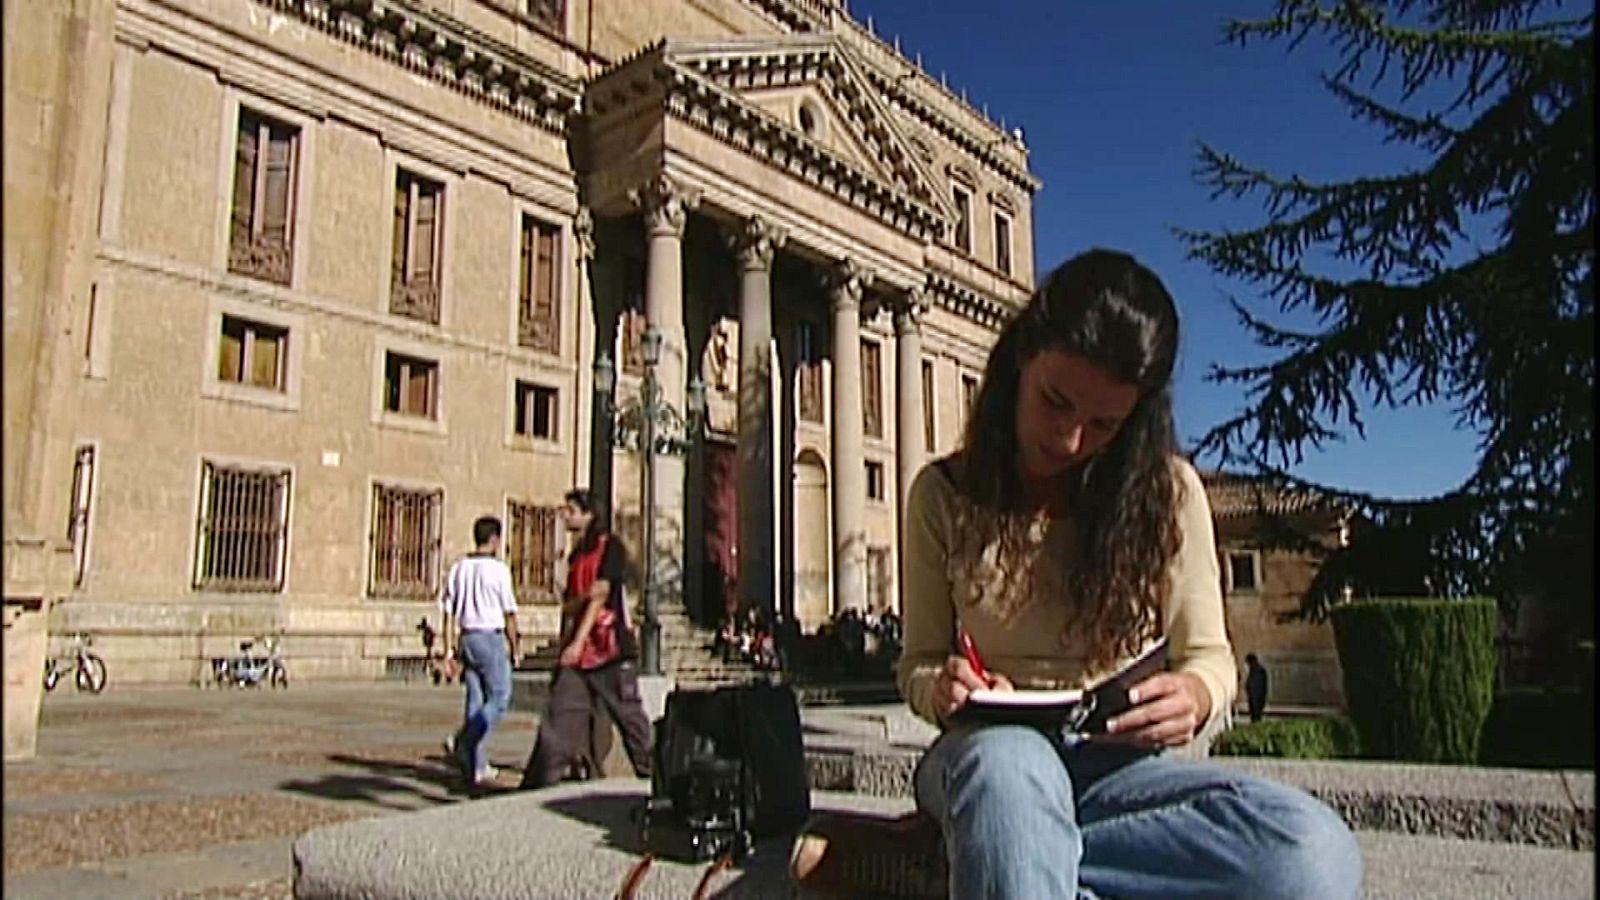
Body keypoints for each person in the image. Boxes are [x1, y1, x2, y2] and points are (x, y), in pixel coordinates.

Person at [790, 249, 1361, 899]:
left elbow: (1210, 658)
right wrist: (941, 688)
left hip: (1119, 775)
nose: (1067, 439)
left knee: (1311, 856)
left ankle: (966, 862)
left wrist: (1196, 697)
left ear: (1135, 422)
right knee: (1010, 779)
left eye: (1103, 425)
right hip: (988, 756)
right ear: (1020, 364)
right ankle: (1003, 846)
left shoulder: (1169, 495)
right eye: (1055, 402)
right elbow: (917, 662)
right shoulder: (941, 495)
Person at [519, 488, 653, 789]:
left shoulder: (612, 547)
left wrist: (578, 640)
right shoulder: (576, 555)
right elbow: (572, 603)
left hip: (610, 649)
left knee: (631, 720)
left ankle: (658, 779)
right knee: (560, 719)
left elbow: (601, 595)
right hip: (578, 655)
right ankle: (536, 787)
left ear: (588, 514)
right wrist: (570, 637)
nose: (565, 515)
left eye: (570, 510)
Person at [439, 515, 520, 787]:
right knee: (500, 696)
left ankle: (478, 764)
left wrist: (449, 649)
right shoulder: (498, 570)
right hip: (489, 636)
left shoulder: (459, 568)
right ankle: (465, 739)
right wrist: (515, 644)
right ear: (495, 539)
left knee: (476, 699)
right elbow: (509, 612)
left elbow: (448, 612)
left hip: (466, 636)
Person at [1245, 652, 1270, 723]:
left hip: (1257, 697)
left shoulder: (1259, 671)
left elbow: (1260, 686)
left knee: (1257, 715)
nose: (1248, 665)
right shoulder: (1253, 671)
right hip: (1253, 697)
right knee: (1254, 715)